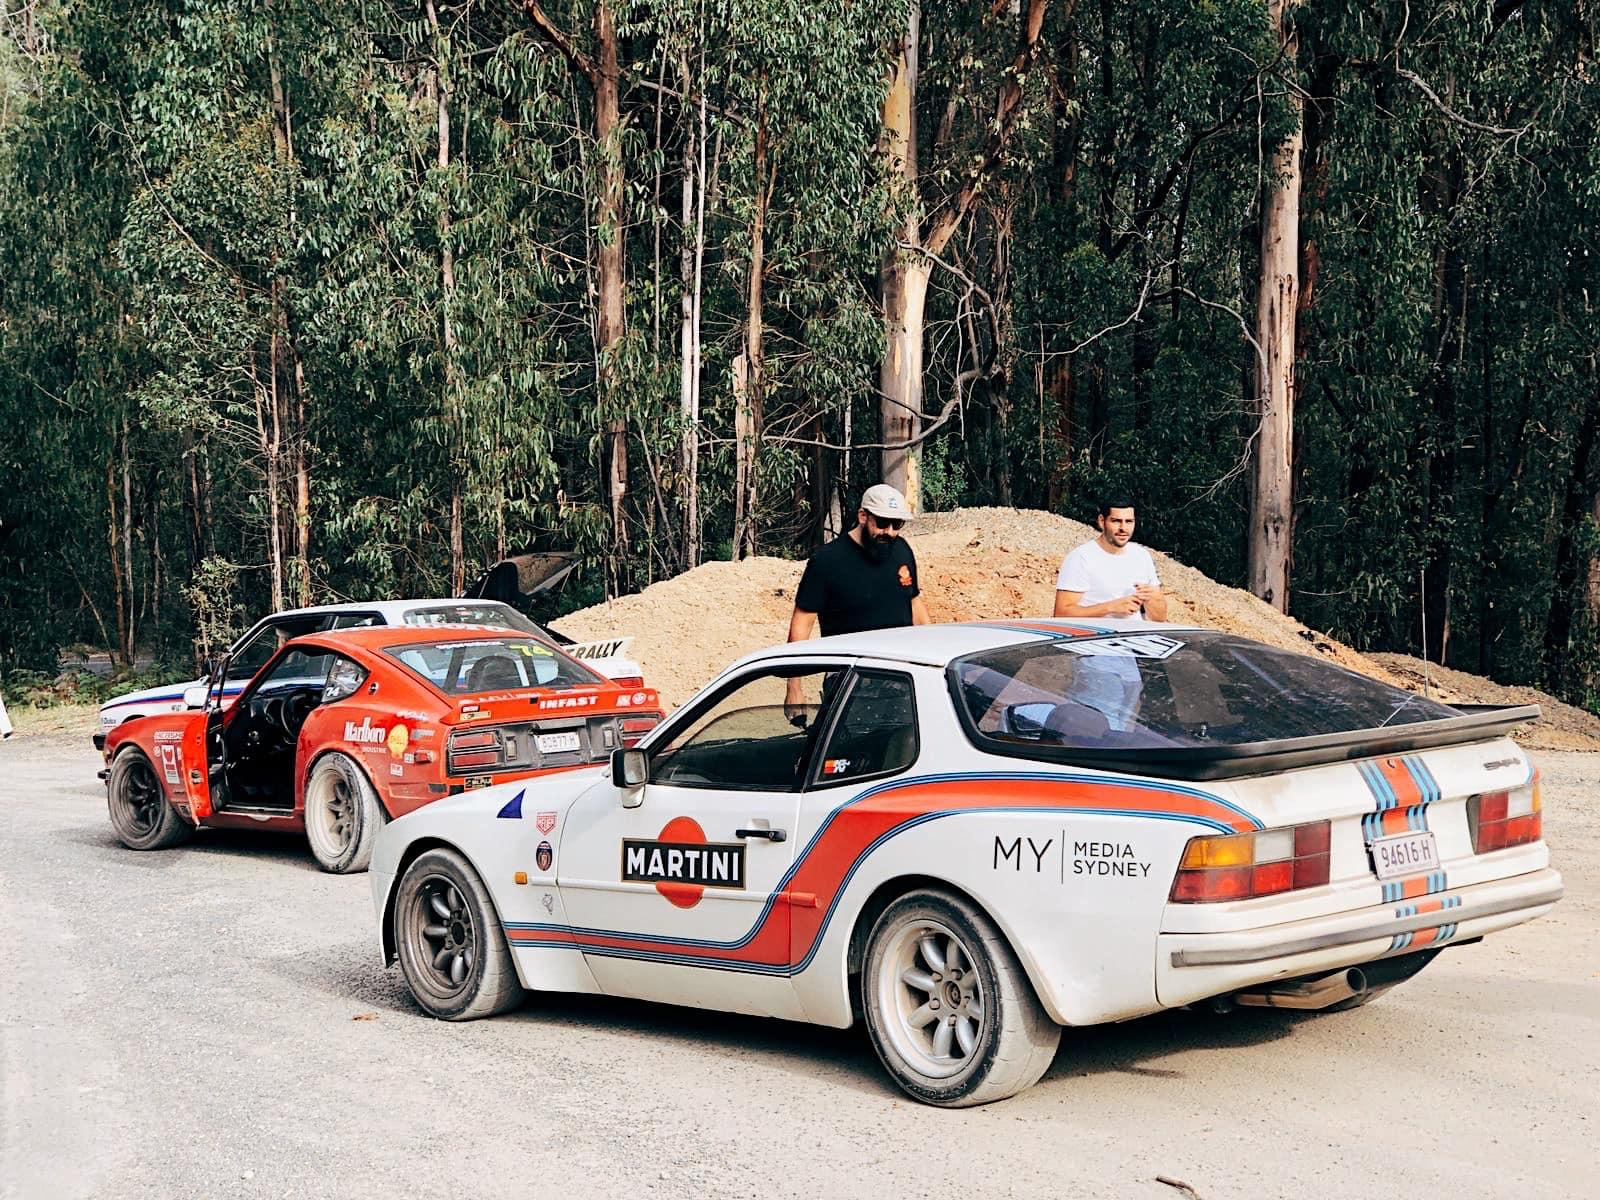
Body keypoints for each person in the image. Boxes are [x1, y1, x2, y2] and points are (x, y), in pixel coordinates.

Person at [785, 484, 930, 721]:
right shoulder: (826, 561)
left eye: (897, 525)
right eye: (882, 523)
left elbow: (915, 606)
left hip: (901, 677)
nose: (889, 532)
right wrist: (794, 687)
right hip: (849, 681)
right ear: (863, 516)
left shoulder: (902, 551)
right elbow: (802, 623)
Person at [1053, 497, 1168, 621]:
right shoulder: (1081, 557)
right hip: (1095, 633)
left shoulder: (1142, 556)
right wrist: (1110, 607)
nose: (1123, 528)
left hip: (1133, 633)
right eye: (1116, 521)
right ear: (1102, 521)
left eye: (1129, 521)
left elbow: (1159, 618)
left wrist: (1153, 600)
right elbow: (1061, 614)